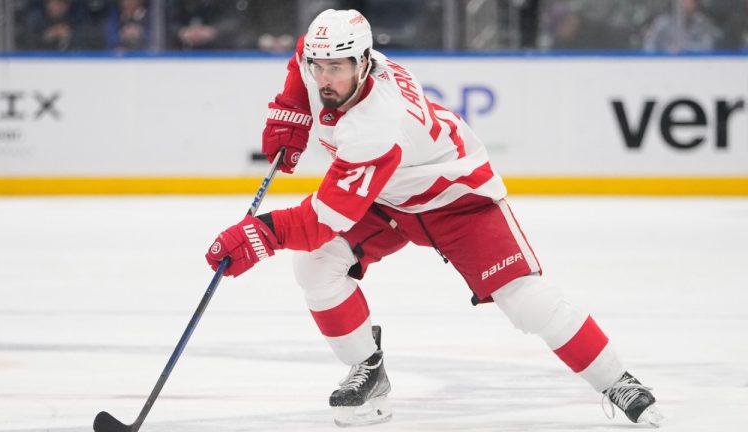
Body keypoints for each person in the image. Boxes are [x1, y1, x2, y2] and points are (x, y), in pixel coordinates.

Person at [205, 9, 663, 428]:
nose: (324, 78)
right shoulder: (322, 56)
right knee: (314, 266)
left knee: (527, 301)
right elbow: (302, 54)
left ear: (364, 63)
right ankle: (368, 371)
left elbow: (322, 219)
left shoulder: (377, 125)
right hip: (387, 197)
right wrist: (291, 113)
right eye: (319, 68)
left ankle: (618, 381)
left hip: (456, 198)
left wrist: (259, 233)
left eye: (337, 68)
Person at [643, 0, 720, 52]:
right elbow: (649, 47)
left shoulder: (703, 24)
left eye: (690, 2)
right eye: (683, 1)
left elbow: (708, 47)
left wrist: (684, 49)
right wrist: (665, 53)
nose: (686, 5)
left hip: (695, 67)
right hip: (665, 66)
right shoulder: (662, 24)